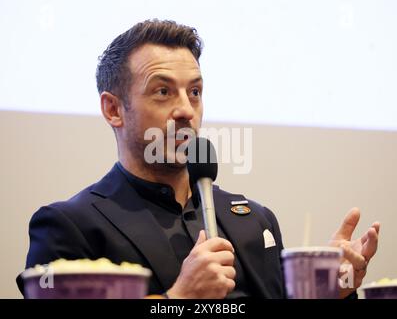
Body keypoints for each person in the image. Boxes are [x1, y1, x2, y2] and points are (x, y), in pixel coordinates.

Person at [18, 19, 380, 299]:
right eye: (162, 91)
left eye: (195, 92)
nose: (185, 110)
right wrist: (179, 298)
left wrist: (333, 287)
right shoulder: (70, 226)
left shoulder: (255, 220)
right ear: (114, 109)